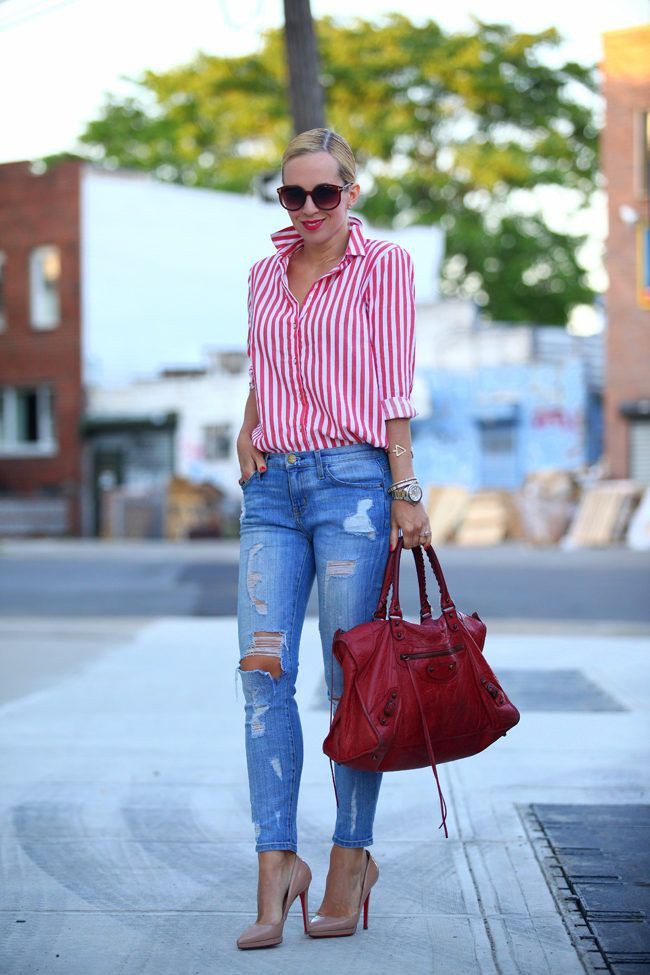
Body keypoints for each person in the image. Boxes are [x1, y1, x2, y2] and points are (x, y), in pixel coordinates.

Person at [235, 127, 432, 949]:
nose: (309, 207)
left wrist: (405, 487)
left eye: (324, 192)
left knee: (351, 677)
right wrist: (246, 427)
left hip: (354, 485)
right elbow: (263, 363)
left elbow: (393, 379)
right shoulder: (261, 275)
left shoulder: (384, 266)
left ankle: (350, 857)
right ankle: (276, 862)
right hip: (271, 489)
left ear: (352, 192)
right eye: (293, 194)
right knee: (260, 673)